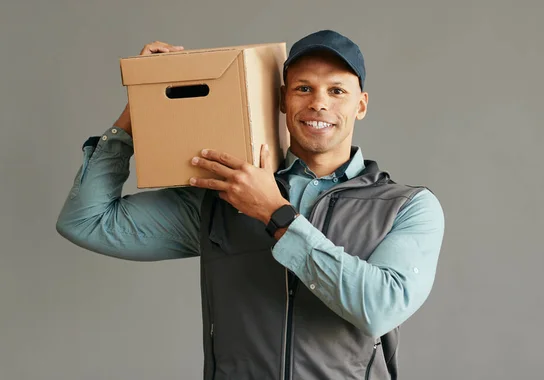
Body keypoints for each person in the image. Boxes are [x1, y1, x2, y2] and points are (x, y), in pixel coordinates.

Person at [56, 29, 445, 380]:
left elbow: (380, 308)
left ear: (360, 105)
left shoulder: (405, 206)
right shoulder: (224, 195)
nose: (319, 104)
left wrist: (275, 215)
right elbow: (86, 221)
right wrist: (139, 105)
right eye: (303, 89)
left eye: (337, 91)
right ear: (281, 100)